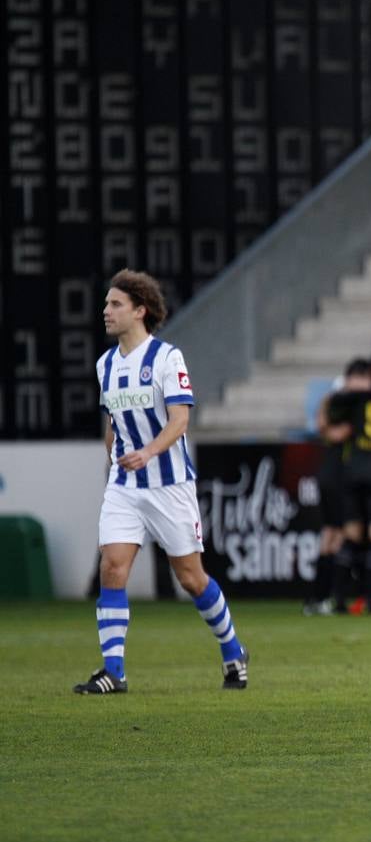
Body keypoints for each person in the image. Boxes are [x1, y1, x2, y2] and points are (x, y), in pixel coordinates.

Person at [76, 269, 249, 694]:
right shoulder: (105, 365)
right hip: (125, 484)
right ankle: (113, 671)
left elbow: (181, 420)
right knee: (112, 567)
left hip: (169, 485)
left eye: (115, 304)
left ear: (141, 310)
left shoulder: (167, 359)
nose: (106, 311)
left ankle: (233, 651)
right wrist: (114, 449)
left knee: (191, 578)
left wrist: (150, 451)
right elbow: (113, 422)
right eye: (106, 304)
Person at [328, 354, 371, 614]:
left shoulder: (355, 398)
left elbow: (336, 404)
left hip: (354, 471)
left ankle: (338, 598)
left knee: (352, 535)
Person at [305, 358, 371, 615]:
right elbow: (334, 432)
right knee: (340, 535)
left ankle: (318, 598)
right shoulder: (351, 404)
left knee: (330, 536)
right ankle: (331, 597)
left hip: (329, 474)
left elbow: (323, 426)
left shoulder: (332, 400)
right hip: (339, 476)